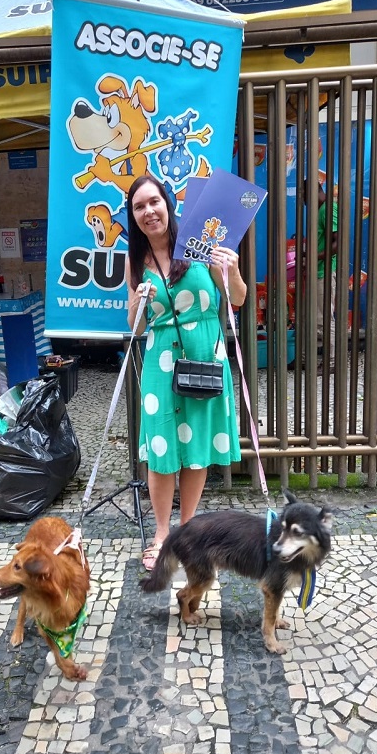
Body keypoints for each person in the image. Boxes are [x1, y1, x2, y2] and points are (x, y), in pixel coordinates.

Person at [125, 175, 247, 570]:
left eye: (154, 202)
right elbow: (134, 327)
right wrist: (138, 301)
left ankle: (188, 529)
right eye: (139, 206)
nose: (148, 211)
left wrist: (232, 269)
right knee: (161, 450)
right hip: (161, 364)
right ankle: (162, 533)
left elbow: (238, 299)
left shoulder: (200, 245)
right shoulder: (135, 260)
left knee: (195, 450)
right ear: (133, 215)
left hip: (204, 358)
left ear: (168, 204)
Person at [303, 181, 338, 373]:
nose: (303, 201)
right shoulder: (320, 210)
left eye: (303, 196)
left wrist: (313, 256)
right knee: (313, 317)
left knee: (323, 318)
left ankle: (331, 362)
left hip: (324, 272)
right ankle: (305, 358)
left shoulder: (329, 209)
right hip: (316, 270)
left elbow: (337, 243)